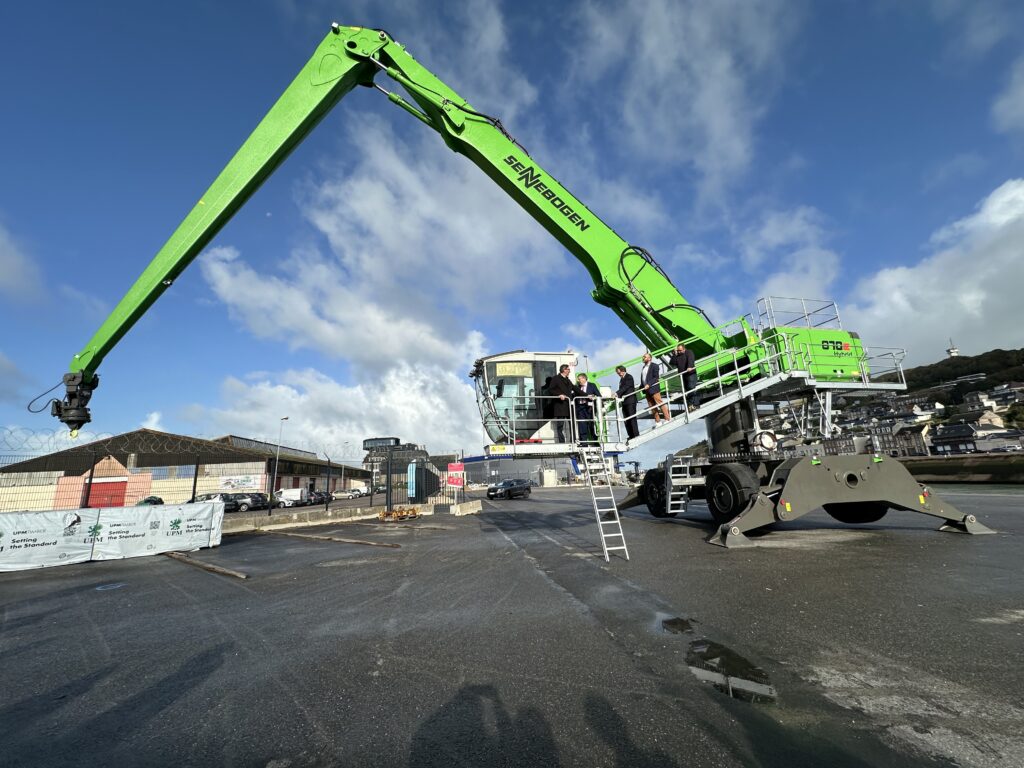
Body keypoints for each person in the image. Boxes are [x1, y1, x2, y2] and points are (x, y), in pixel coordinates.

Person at [548, 364, 576, 443]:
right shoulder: (556, 378)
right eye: (568, 369)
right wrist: (559, 395)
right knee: (560, 426)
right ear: (564, 370)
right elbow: (551, 389)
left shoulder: (567, 380)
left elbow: (575, 388)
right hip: (560, 406)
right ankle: (562, 442)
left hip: (568, 406)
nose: (569, 371)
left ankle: (573, 441)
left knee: (572, 424)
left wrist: (586, 395)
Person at [669, 341, 700, 411]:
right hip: (683, 375)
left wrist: (689, 366)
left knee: (691, 387)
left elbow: (691, 359)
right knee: (687, 390)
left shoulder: (689, 352)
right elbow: (672, 363)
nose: (679, 352)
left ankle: (693, 404)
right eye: (678, 350)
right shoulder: (677, 356)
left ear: (684, 349)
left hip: (690, 373)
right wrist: (674, 354)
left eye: (680, 350)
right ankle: (691, 405)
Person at [640, 352, 670, 425]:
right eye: (643, 357)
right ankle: (658, 421)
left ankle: (667, 418)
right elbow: (644, 378)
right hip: (646, 390)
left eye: (645, 357)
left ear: (650, 358)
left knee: (659, 403)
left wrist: (648, 384)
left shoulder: (655, 366)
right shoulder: (643, 367)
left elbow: (656, 378)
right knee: (652, 406)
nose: (643, 358)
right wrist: (641, 387)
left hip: (653, 388)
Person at [615, 365, 640, 439]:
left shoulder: (629, 377)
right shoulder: (621, 379)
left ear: (623, 371)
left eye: (619, 372)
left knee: (632, 418)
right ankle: (630, 435)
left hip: (630, 401)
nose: (618, 374)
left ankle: (635, 434)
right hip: (624, 402)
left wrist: (616, 393)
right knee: (626, 419)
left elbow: (626, 387)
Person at [575, 373, 601, 443]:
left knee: (591, 425)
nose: (579, 381)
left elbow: (598, 396)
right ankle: (584, 442)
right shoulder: (577, 387)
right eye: (578, 379)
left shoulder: (592, 385)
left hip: (589, 408)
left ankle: (595, 441)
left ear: (584, 378)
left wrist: (593, 398)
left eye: (580, 379)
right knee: (582, 425)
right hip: (580, 408)